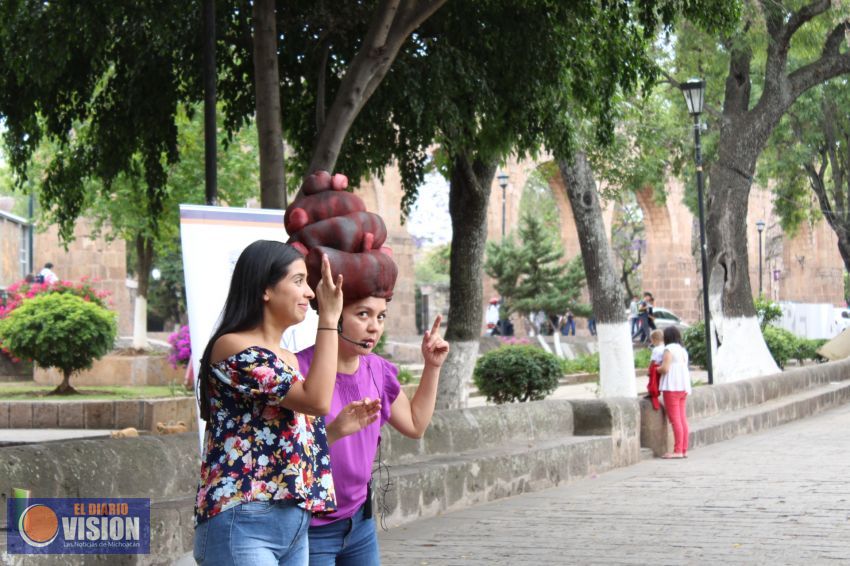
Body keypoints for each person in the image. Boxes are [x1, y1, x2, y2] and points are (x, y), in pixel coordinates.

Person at [192, 241, 356, 565]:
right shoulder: (233, 348)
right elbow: (317, 400)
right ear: (265, 289)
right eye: (298, 281)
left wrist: (335, 431)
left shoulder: (288, 359)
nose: (310, 293)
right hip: (244, 517)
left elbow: (291, 439)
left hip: (293, 520)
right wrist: (330, 319)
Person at [658, 326, 691, 459]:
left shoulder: (669, 349)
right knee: (682, 419)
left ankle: (677, 450)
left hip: (672, 387)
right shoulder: (682, 350)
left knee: (675, 420)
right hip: (683, 387)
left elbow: (665, 368)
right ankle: (683, 449)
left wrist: (656, 369)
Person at [646, 329, 664, 411]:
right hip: (662, 367)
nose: (652, 342)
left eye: (652, 340)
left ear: (655, 339)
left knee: (653, 383)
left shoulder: (656, 349)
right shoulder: (665, 347)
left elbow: (652, 361)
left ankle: (653, 396)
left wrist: (649, 370)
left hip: (655, 368)